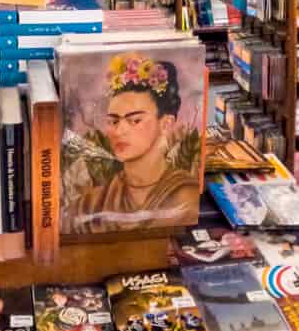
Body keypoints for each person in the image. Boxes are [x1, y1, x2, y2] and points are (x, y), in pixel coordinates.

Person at [65, 54, 204, 231]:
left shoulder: (184, 196)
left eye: (135, 120)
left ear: (165, 123)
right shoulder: (91, 204)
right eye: (114, 121)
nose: (119, 131)